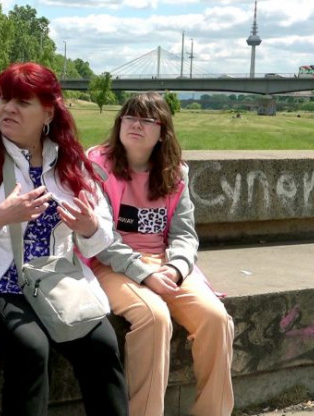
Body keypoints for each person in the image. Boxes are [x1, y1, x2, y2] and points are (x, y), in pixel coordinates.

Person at [0, 62, 128, 416]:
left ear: (48, 112)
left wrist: (87, 227)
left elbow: (100, 236)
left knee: (101, 343)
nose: (8, 108)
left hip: (52, 280)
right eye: (4, 99)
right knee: (31, 348)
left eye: (22, 102)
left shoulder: (69, 161)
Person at [87, 92, 234, 416]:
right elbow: (101, 238)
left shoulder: (175, 173)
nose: (135, 125)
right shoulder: (98, 167)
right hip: (112, 264)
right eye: (129, 117)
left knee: (216, 319)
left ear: (162, 131)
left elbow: (184, 234)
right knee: (154, 318)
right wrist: (145, 274)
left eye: (146, 119)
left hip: (165, 264)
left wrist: (176, 268)